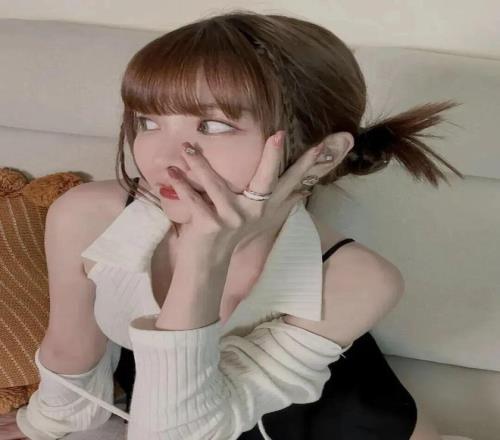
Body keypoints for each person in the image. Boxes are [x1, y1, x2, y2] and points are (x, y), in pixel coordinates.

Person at [2, 9, 465, 440]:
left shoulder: (357, 278)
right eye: (148, 122)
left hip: (325, 420)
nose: (161, 159)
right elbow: (71, 349)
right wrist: (44, 421)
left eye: (212, 126)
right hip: (175, 399)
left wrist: (204, 254)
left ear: (323, 154)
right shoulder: (86, 215)